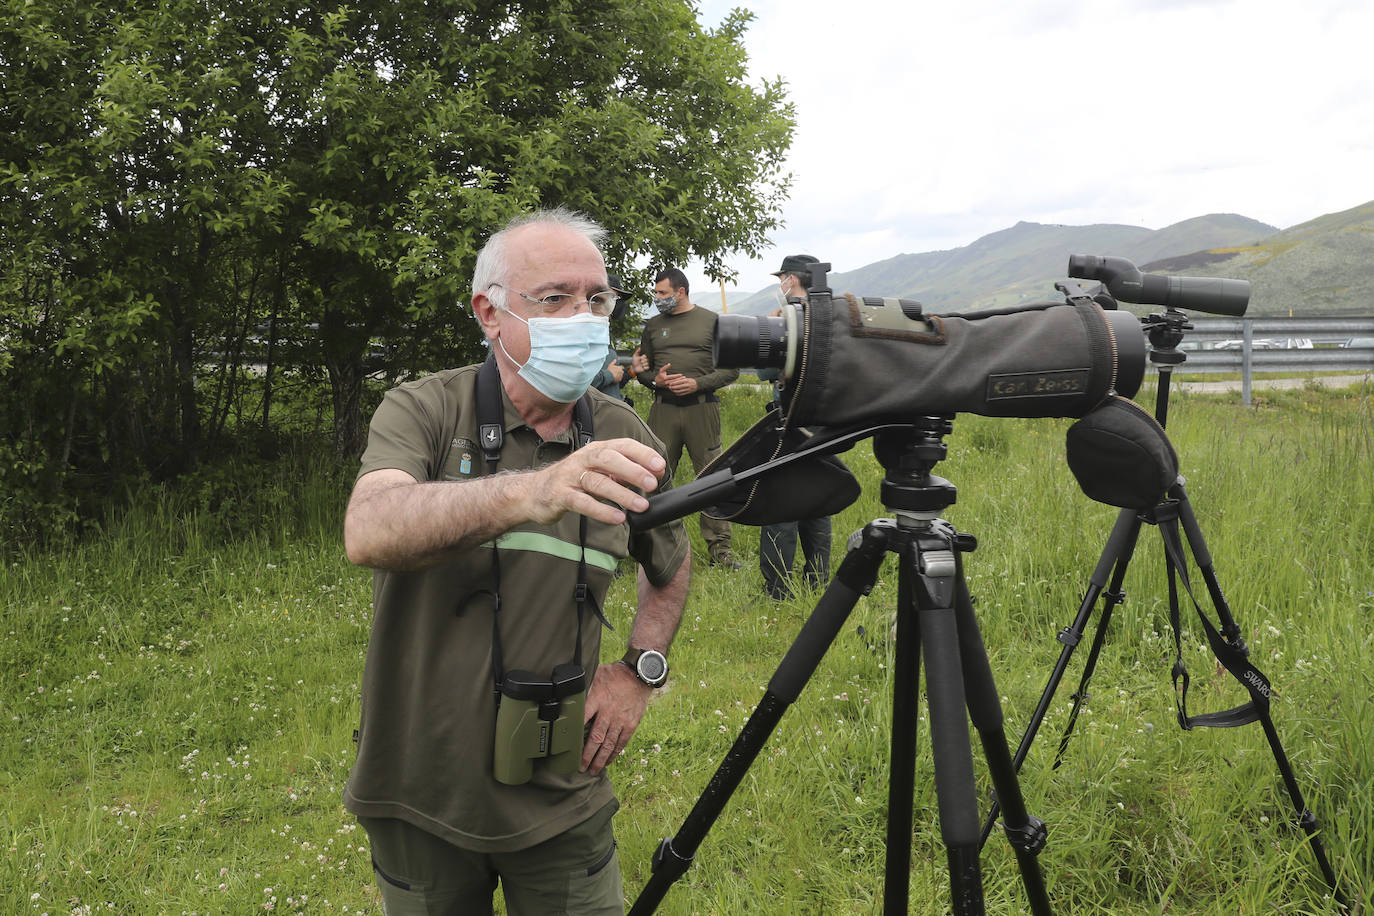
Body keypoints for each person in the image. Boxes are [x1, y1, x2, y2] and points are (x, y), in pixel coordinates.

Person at [342, 208, 691, 915]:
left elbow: (672, 563)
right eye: (555, 297)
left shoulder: (622, 429)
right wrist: (533, 491)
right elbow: (370, 528)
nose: (584, 318)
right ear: (490, 313)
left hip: (562, 791)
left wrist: (640, 672)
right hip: (417, 790)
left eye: (598, 299)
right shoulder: (426, 409)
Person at [630, 268, 741, 569]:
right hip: (663, 410)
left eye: (662, 293)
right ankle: (649, 549)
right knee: (652, 477)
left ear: (681, 291)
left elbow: (732, 370)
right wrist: (656, 381)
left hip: (701, 410)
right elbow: (643, 373)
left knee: (712, 477)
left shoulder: (711, 321)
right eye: (656, 293)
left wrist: (696, 384)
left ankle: (721, 551)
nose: (657, 299)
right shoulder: (652, 326)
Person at [758, 254, 832, 600]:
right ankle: (818, 580)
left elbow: (764, 371)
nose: (781, 284)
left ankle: (777, 589)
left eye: (782, 277)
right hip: (824, 421)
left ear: (791, 278)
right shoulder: (830, 315)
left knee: (780, 500)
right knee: (818, 498)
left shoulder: (787, 318)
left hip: (788, 420)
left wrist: (771, 329)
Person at [590, 273, 635, 401]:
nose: (615, 301)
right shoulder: (585, 331)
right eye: (610, 296)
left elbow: (612, 383)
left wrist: (631, 372)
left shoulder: (604, 330)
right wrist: (608, 375)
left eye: (616, 297)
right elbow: (573, 381)